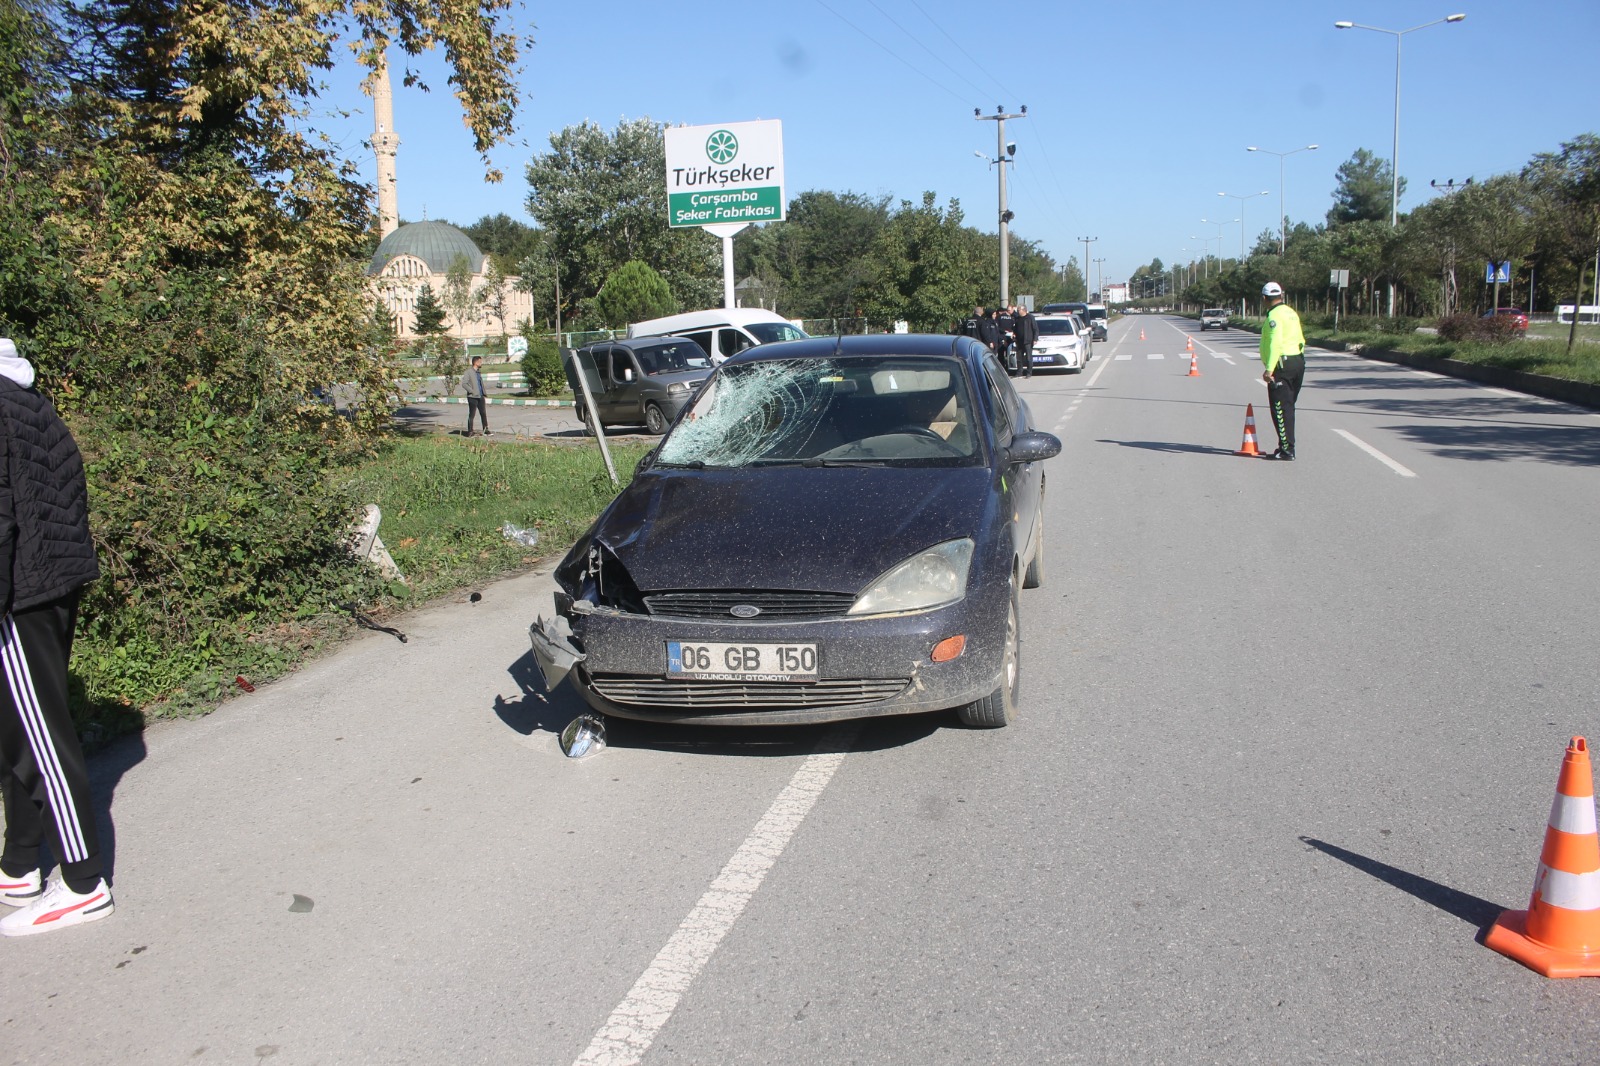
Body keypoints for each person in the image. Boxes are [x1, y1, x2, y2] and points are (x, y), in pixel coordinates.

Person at [0, 338, 110, 936]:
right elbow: (68, 486)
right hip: (49, 582)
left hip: (18, 593)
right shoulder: (26, 396)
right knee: (20, 732)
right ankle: (19, 864)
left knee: (40, 740)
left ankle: (83, 882)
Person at [1259, 281, 1306, 461]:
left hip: (1282, 364)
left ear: (1264, 298)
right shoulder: (1290, 312)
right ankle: (1285, 447)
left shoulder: (1274, 317)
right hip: (1297, 361)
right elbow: (1301, 339)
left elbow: (1275, 343)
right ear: (1281, 295)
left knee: (1280, 408)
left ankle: (1287, 450)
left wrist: (1269, 369)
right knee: (1288, 406)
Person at [461, 355, 490, 437]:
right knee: (472, 414)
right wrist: (472, 391)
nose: (481, 363)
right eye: (480, 362)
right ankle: (470, 431)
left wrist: (483, 393)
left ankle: (486, 430)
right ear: (475, 362)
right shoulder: (468, 372)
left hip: (480, 396)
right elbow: (464, 384)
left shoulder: (478, 372)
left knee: (483, 413)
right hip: (472, 397)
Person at [1013, 305, 1038, 378]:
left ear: (1023, 310)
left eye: (1019, 310)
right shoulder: (1017, 318)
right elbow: (1015, 328)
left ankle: (1029, 373)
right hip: (1019, 341)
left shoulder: (1030, 317)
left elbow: (1035, 329)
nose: (1017, 311)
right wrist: (1014, 334)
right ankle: (1019, 372)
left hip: (1028, 341)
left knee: (1028, 358)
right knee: (1019, 358)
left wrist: (1035, 339)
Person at [994, 305, 1016, 373]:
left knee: (1002, 354)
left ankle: (1003, 369)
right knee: (1005, 354)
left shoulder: (999, 317)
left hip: (1004, 337)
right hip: (1007, 337)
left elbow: (996, 327)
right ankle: (1005, 369)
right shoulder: (1012, 317)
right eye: (1009, 310)